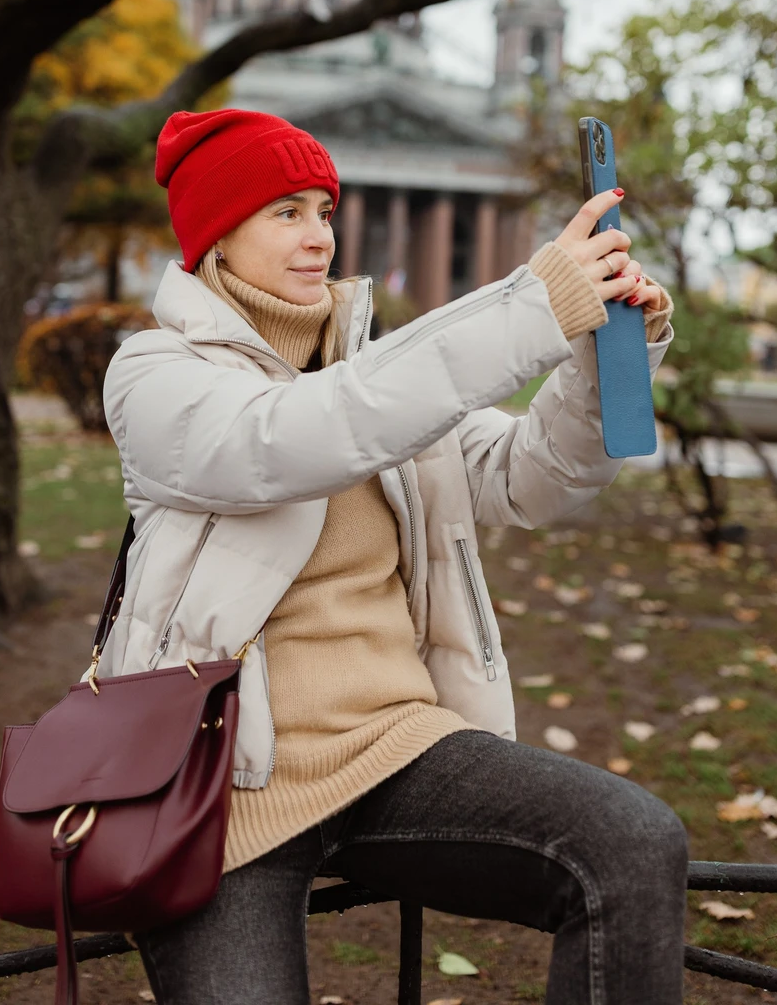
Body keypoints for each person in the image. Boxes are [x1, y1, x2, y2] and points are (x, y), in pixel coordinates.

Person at [101, 108, 686, 1005]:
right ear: (215, 234)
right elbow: (294, 437)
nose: (318, 238)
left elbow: (537, 481)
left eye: (323, 211)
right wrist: (529, 304)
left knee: (633, 840)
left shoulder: (380, 372)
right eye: (284, 213)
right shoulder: (155, 374)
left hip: (396, 752)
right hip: (218, 791)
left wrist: (597, 354)